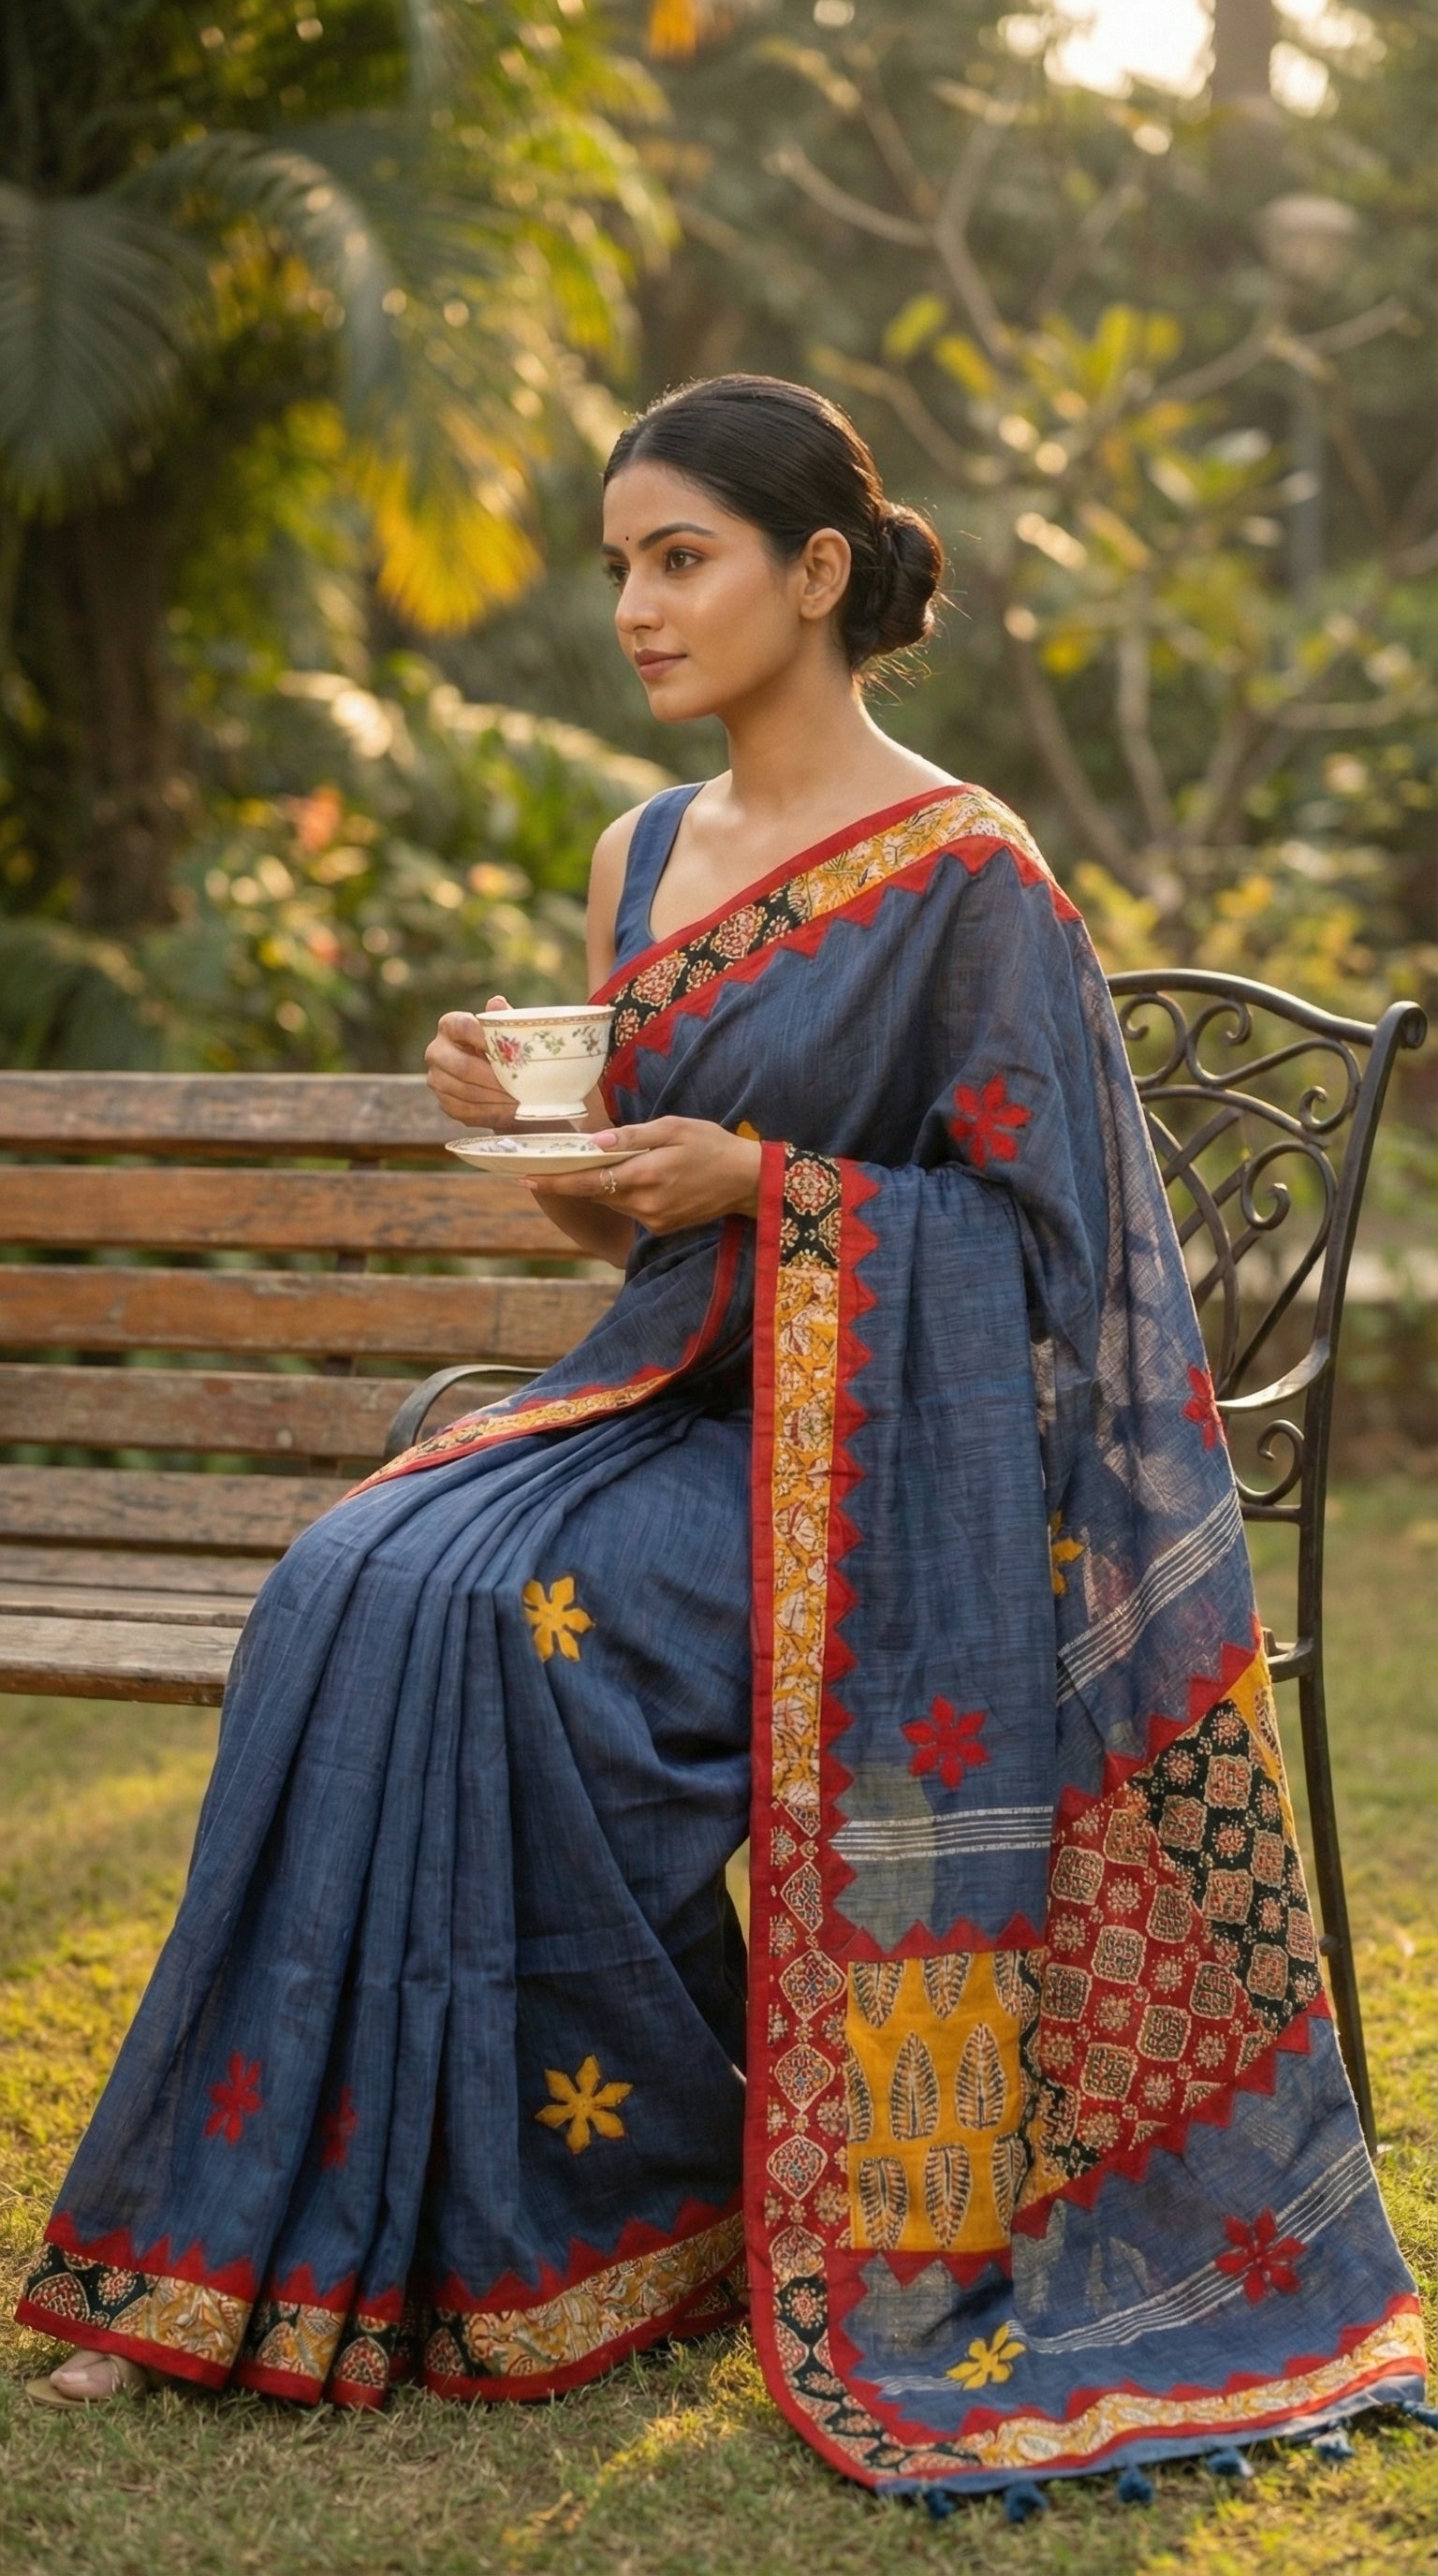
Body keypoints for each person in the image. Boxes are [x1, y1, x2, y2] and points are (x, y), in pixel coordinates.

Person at [19, 377, 1422, 2498]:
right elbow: (620, 1223)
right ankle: (306, 2229)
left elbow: (1066, 1258)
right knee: (349, 1577)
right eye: (620, 568)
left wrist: (769, 1189)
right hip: (664, 1398)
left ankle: (623, 2197)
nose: (637, 610)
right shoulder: (642, 853)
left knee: (502, 1616)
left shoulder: (966, 874)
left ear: (818, 571)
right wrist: (552, 1145)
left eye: (679, 557)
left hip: (889, 1475)